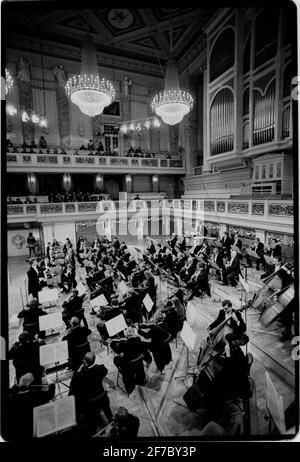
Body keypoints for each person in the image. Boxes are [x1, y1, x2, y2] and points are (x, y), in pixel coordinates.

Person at [69, 352, 113, 434]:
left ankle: (89, 425)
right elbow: (104, 370)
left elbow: (72, 388)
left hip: (90, 403)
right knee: (106, 407)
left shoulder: (79, 376)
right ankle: (110, 418)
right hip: (103, 398)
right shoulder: (100, 369)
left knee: (77, 399)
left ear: (85, 361)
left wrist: (78, 371)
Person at [8, 373, 55, 439]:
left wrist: (17, 386)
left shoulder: (12, 398)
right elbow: (50, 394)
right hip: (37, 428)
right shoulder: (35, 395)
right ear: (30, 384)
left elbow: (12, 390)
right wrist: (52, 383)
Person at [110, 327, 148, 395]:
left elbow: (117, 350)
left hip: (129, 364)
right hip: (138, 360)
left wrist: (112, 344)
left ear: (127, 335)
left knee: (116, 359)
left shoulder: (124, 344)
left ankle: (124, 374)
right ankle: (140, 379)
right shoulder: (138, 339)